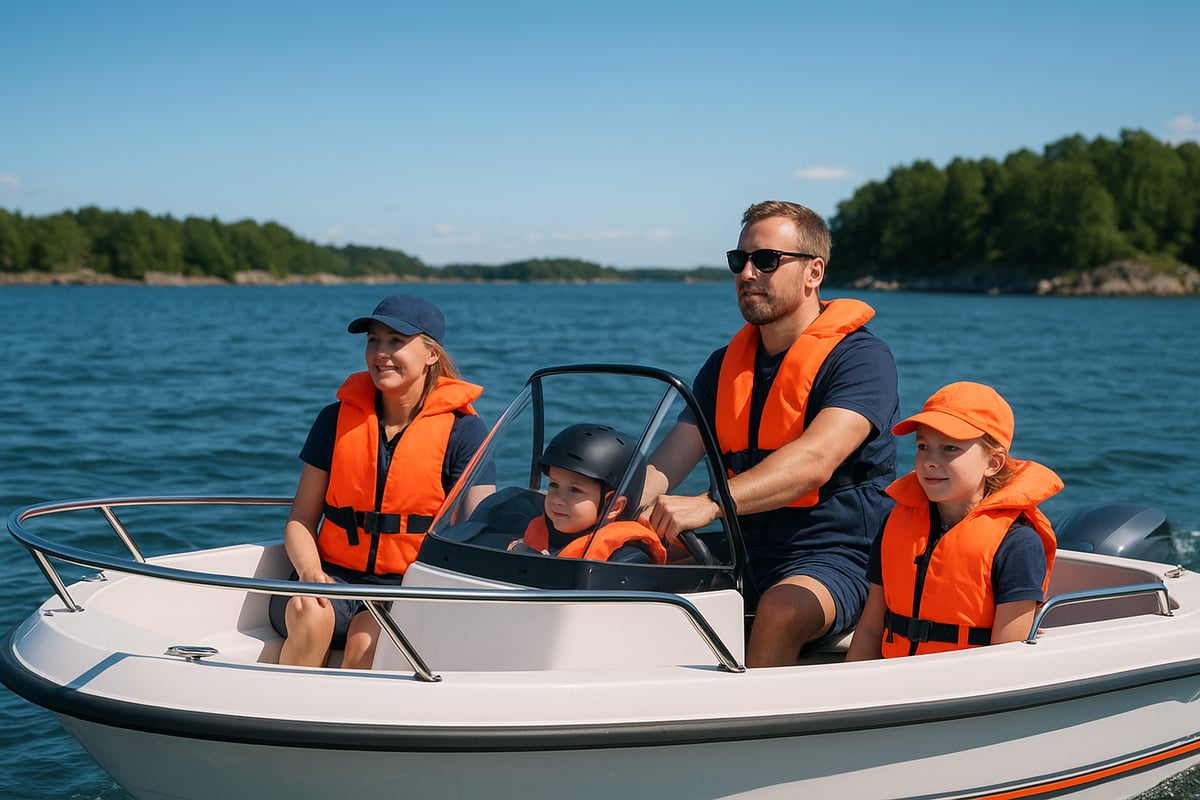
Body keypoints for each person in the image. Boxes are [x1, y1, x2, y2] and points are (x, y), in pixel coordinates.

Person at [640, 200, 899, 667]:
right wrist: (610, 508)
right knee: (623, 558)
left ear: (813, 273)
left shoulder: (861, 360)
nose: (747, 274)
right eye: (739, 261)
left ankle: (747, 733)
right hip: (749, 547)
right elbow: (668, 462)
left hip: (842, 555)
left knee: (781, 608)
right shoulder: (723, 367)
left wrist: (711, 504)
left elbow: (814, 460)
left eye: (766, 260)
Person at [269, 294, 491, 669]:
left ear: (431, 354)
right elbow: (301, 519)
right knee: (311, 612)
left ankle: (343, 725)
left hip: (407, 590)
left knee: (367, 635)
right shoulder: (334, 420)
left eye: (396, 341)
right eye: (373, 340)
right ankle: (282, 717)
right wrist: (310, 573)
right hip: (330, 577)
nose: (380, 353)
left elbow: (481, 527)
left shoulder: (463, 431)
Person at [846, 382, 1062, 660]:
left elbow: (1007, 659)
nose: (930, 461)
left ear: (992, 463)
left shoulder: (1017, 543)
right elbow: (869, 630)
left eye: (949, 448)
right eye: (923, 446)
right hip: (893, 683)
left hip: (962, 692)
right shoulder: (895, 523)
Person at [515, 424, 667, 564]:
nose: (557, 500)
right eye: (554, 484)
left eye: (575, 490)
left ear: (613, 505)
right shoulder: (539, 528)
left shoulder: (626, 558)